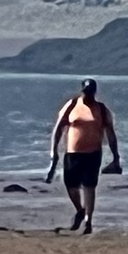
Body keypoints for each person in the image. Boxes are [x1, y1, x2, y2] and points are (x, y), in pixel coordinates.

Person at [46, 78, 122, 234]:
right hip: (73, 153)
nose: (87, 95)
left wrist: (116, 156)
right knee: (71, 186)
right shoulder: (72, 105)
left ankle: (88, 221)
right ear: (82, 91)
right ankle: (80, 210)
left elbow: (110, 134)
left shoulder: (101, 109)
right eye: (85, 92)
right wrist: (54, 151)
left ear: (94, 92)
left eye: (90, 92)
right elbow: (59, 128)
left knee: (89, 186)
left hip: (93, 153)